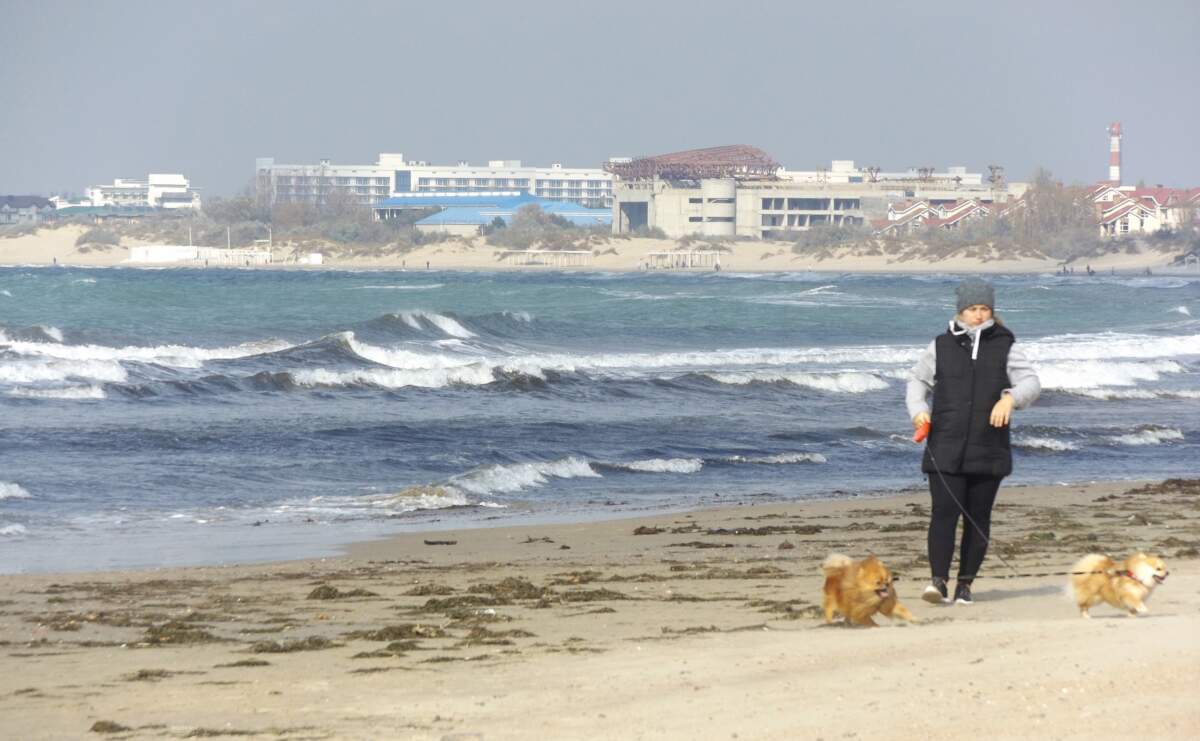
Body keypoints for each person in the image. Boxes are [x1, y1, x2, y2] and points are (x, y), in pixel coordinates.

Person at [906, 278, 1040, 605]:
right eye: (971, 309)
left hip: (988, 446)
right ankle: (938, 582)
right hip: (945, 444)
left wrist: (1010, 399)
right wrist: (919, 411)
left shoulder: (1007, 345)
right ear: (961, 311)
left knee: (977, 518)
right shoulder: (940, 345)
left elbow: (1031, 383)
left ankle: (965, 584)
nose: (978, 315)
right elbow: (917, 381)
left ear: (991, 310)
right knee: (943, 513)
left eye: (983, 309)